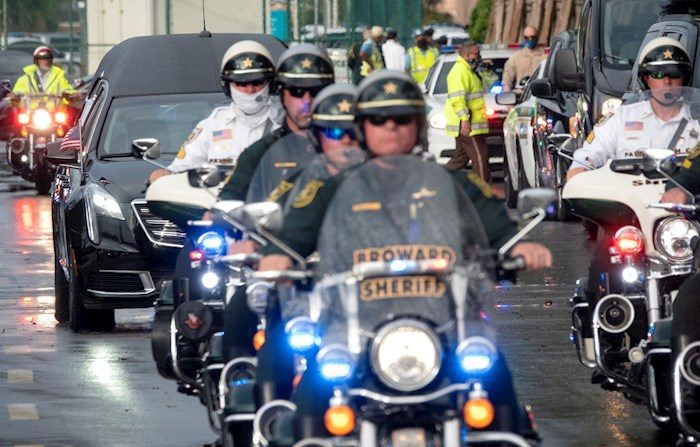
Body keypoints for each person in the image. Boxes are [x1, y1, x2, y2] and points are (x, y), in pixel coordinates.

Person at [254, 70, 551, 441]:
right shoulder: (331, 188)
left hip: (445, 325)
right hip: (353, 329)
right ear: (362, 127)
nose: (390, 127)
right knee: (309, 408)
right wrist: (277, 259)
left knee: (496, 384)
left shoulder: (455, 183)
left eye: (402, 119)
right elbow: (290, 239)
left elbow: (497, 227)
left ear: (419, 126)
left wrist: (517, 247)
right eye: (379, 119)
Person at [567, 37, 699, 180]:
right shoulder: (621, 118)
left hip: (686, 199)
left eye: (674, 74)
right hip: (630, 200)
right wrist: (580, 169)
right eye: (658, 74)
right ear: (647, 79)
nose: (667, 82)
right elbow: (589, 154)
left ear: (684, 78)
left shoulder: (697, 120)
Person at [148, 40, 280, 183]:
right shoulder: (213, 125)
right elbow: (180, 170)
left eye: (257, 82)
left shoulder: (286, 121)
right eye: (241, 83)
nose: (250, 90)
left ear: (270, 84)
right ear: (227, 86)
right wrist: (163, 174)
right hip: (220, 201)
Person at [218, 43, 336, 202]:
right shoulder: (259, 154)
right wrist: (217, 215)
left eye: (316, 91)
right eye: (297, 92)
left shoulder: (352, 144)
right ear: (281, 93)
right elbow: (229, 200)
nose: (307, 101)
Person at [443, 41, 491, 182]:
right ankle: (484, 194)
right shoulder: (459, 72)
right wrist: (465, 120)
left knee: (459, 160)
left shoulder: (469, 71)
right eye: (476, 54)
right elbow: (457, 99)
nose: (478, 56)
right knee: (481, 159)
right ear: (468, 54)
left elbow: (487, 86)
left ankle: (436, 180)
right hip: (469, 124)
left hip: (471, 123)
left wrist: (487, 71)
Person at [502, 26, 546, 92]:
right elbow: (507, 82)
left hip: (541, 95)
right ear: (523, 38)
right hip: (521, 95)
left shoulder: (545, 57)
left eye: (533, 37)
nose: (530, 39)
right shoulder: (515, 58)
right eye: (527, 37)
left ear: (537, 37)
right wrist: (508, 99)